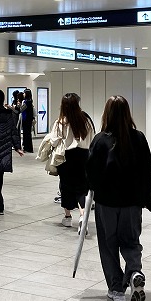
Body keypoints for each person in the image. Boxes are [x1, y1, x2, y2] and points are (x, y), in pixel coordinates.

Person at [86, 95, 151, 301]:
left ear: (107, 113)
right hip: (132, 203)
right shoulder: (139, 138)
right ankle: (134, 272)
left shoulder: (100, 140)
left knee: (108, 245)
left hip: (107, 203)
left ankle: (116, 288)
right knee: (131, 241)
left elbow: (91, 173)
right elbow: (146, 170)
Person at [50, 92, 94, 232]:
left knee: (66, 186)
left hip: (66, 158)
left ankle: (68, 217)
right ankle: (82, 216)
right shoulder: (85, 120)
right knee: (82, 187)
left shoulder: (60, 122)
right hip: (83, 156)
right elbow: (92, 138)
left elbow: (53, 140)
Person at [20, 88, 36, 153]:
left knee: (26, 134)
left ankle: (27, 148)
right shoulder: (30, 101)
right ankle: (28, 148)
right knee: (28, 134)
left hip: (26, 120)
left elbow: (21, 109)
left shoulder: (27, 102)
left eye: (24, 93)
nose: (23, 94)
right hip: (28, 120)